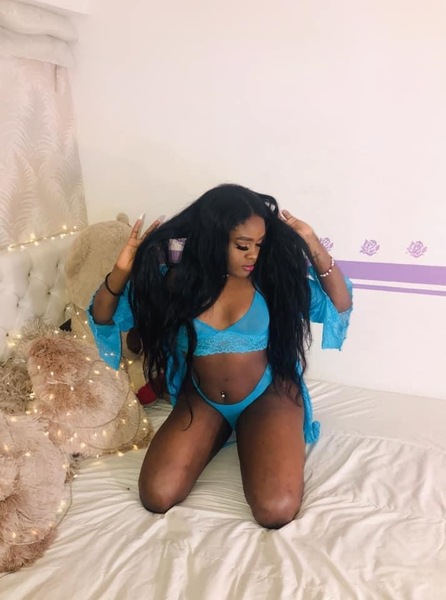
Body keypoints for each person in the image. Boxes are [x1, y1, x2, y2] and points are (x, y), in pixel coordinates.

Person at [88, 184, 352, 529]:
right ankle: (225, 430)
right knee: (156, 494)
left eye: (259, 244)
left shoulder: (272, 280)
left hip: (267, 396)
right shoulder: (176, 283)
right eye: (243, 245)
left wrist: (312, 243)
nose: (253, 255)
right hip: (203, 399)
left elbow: (339, 303)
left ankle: (252, 429)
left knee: (275, 510)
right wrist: (122, 271)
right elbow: (104, 315)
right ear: (213, 239)